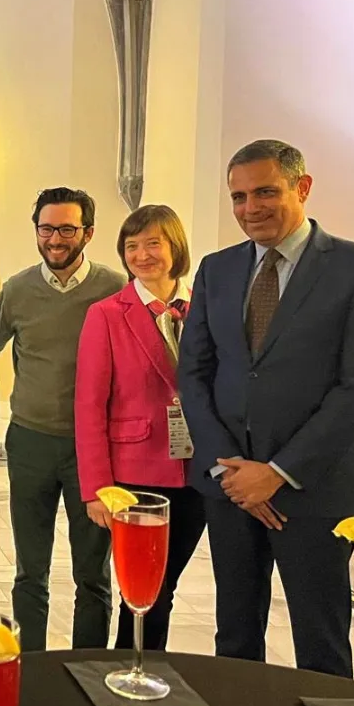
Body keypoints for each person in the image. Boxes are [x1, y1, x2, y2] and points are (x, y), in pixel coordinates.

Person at [178, 139, 354, 678]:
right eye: (239, 196)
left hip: (314, 491)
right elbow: (195, 374)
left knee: (320, 644)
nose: (250, 208)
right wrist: (232, 471)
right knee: (234, 635)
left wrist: (275, 474)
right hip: (229, 489)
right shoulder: (217, 270)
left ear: (302, 188)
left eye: (265, 192)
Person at [0, 187, 125, 652]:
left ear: (88, 232)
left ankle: (87, 668)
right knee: (31, 570)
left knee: (92, 572)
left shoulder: (115, 288)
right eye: (47, 228)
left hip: (93, 451)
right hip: (29, 442)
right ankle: (31, 670)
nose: (56, 239)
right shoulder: (17, 290)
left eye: (67, 229)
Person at [75, 204, 207, 651]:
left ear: (175, 247)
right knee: (140, 589)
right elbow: (89, 405)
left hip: (198, 471)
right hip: (135, 473)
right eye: (132, 246)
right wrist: (95, 487)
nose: (142, 254)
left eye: (153, 243)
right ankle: (127, 671)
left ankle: (148, 669)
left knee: (165, 586)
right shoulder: (108, 314)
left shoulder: (205, 308)